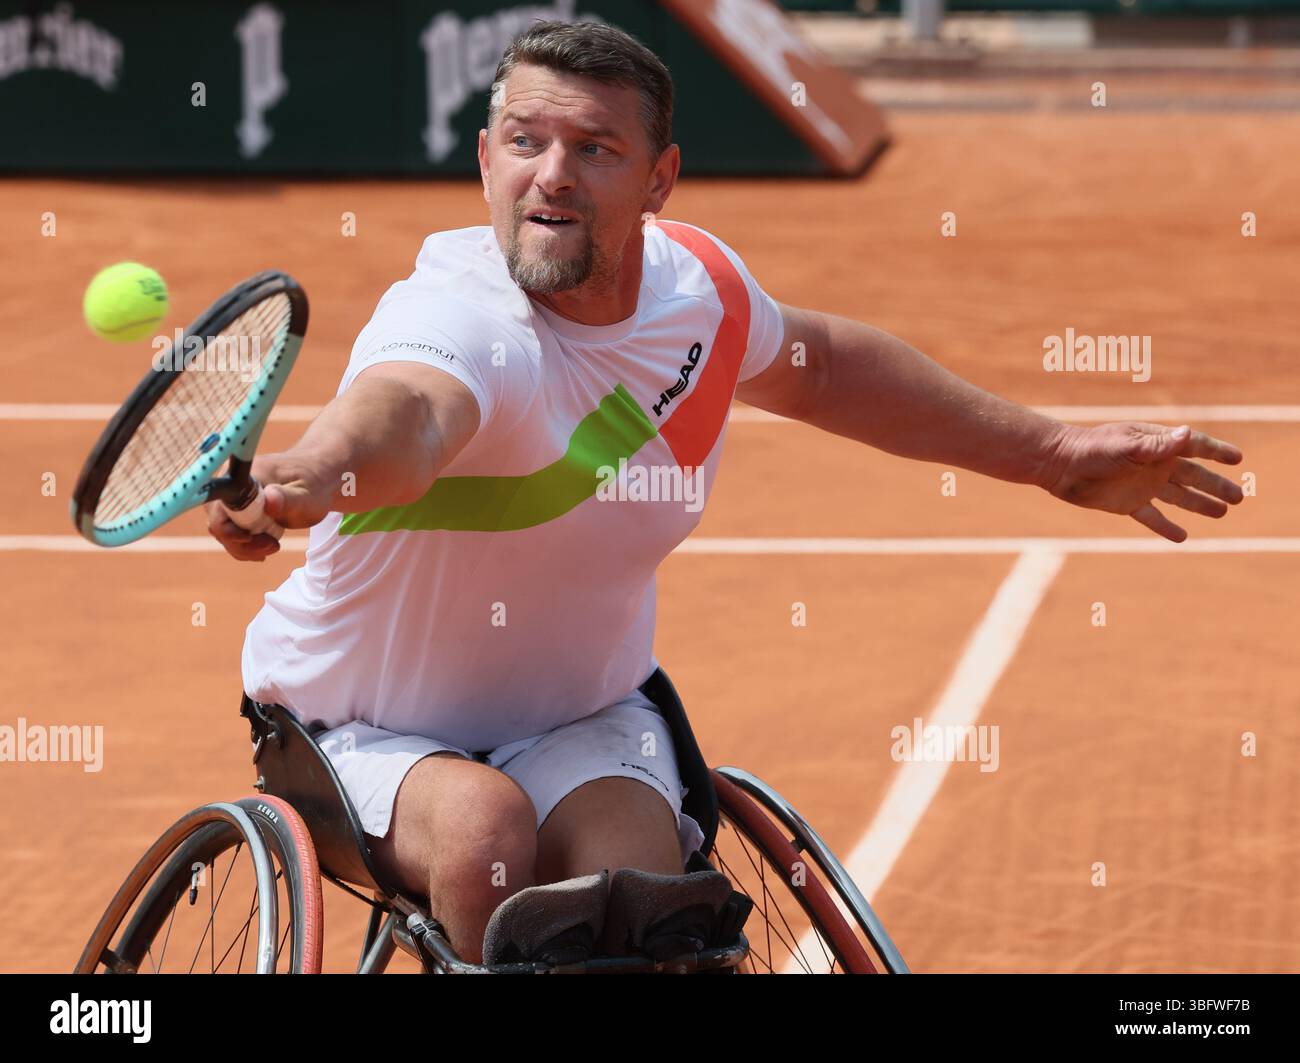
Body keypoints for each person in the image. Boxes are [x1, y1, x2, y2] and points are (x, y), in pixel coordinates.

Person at [208, 21, 1244, 964]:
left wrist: (1051, 452)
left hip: (574, 716)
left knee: (652, 896)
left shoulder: (694, 295)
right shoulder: (459, 317)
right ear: (485, 158)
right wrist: (301, 476)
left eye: (594, 150)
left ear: (659, 181)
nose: (550, 177)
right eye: (524, 142)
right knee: (486, 833)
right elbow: (405, 419)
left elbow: (825, 366)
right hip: (357, 729)